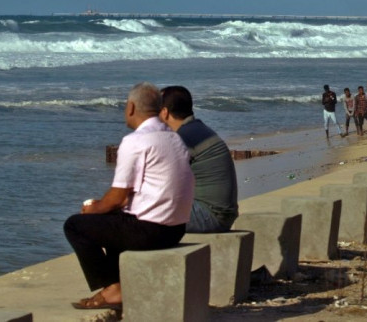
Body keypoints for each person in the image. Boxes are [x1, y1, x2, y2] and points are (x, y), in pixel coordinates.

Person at [64, 82, 194, 310]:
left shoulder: (135, 141)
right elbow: (135, 194)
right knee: (116, 218)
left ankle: (111, 287)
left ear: (132, 108)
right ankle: (117, 285)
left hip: (150, 230)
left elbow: (117, 195)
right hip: (175, 228)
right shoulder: (174, 138)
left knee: (75, 225)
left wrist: (93, 209)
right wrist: (105, 207)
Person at [160, 85, 239, 233]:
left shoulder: (183, 137)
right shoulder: (197, 129)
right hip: (221, 213)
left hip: (210, 216)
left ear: (164, 112)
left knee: (138, 214)